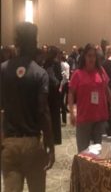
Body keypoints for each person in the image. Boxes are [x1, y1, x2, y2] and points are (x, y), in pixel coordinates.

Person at [0, 22, 55, 192]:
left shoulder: (2, 70)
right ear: (34, 43)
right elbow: (43, 112)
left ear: (16, 41)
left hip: (9, 143)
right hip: (32, 143)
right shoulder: (39, 73)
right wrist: (50, 145)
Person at [68, 43, 111, 152]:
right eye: (89, 55)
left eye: (94, 56)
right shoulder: (77, 74)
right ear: (84, 56)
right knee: (83, 152)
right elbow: (71, 93)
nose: (92, 58)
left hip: (100, 117)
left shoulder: (101, 71)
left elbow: (106, 88)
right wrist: (71, 112)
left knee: (101, 152)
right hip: (84, 118)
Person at [44, 46, 63, 145]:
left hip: (51, 91)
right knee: (55, 115)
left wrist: (55, 83)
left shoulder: (49, 62)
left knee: (51, 115)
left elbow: (50, 76)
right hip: (55, 91)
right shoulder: (55, 63)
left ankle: (53, 138)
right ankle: (57, 138)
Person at [59, 51, 70, 126]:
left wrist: (60, 85)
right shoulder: (67, 64)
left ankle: (63, 119)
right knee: (63, 101)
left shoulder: (61, 64)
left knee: (61, 101)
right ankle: (64, 119)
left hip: (62, 83)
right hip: (66, 82)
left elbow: (64, 74)